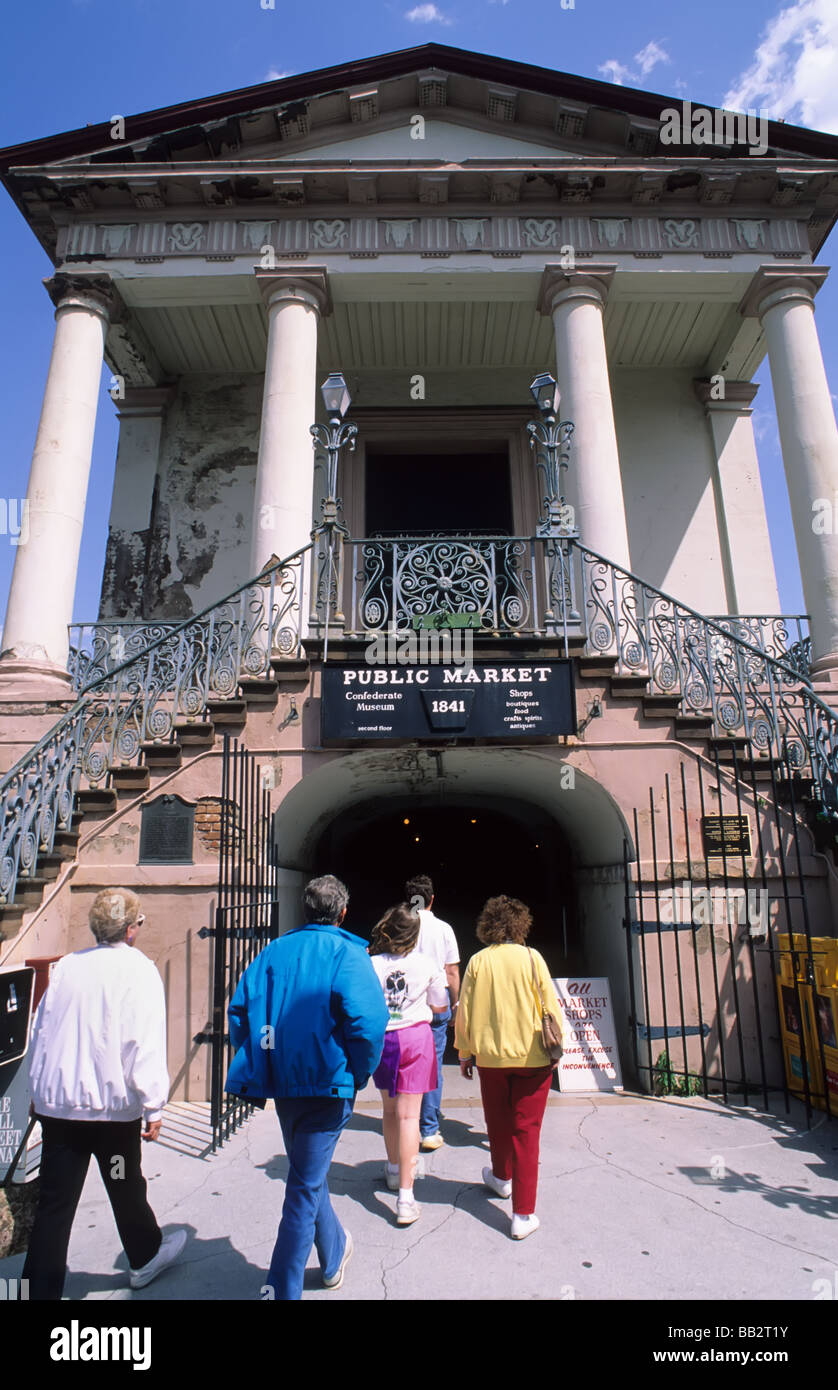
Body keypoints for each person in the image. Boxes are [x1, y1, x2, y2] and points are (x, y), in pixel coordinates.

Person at [225, 874, 388, 1299]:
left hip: (286, 1082)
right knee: (303, 1184)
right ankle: (282, 1289)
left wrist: (262, 1060)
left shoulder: (274, 951)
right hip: (327, 1083)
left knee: (305, 1175)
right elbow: (368, 1023)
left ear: (305, 907)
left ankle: (333, 1254)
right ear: (343, 911)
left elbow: (240, 1011)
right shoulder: (347, 954)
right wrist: (359, 1071)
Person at [23, 888, 185, 1299]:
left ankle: (37, 1291)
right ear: (131, 930)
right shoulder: (139, 970)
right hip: (110, 1116)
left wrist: (37, 1090)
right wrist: (154, 1105)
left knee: (55, 1208)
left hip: (61, 1114)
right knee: (123, 1182)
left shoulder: (65, 969)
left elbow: (40, 1033)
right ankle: (145, 1256)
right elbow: (143, 1042)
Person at [454, 894, 565, 1241]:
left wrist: (465, 1052)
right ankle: (523, 1213)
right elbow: (551, 1005)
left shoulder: (477, 962)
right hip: (533, 1058)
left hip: (491, 1059)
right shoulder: (533, 958)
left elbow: (465, 1011)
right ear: (521, 925)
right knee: (526, 1132)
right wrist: (557, 1050)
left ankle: (501, 1177)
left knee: (497, 1122)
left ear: (488, 925)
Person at [369, 902, 450, 1226]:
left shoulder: (371, 963)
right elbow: (440, 1005)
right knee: (409, 1117)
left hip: (384, 1040)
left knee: (389, 1111)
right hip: (415, 1038)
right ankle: (406, 1197)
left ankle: (392, 1168)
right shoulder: (427, 964)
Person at [405, 874, 460, 1153]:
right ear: (432, 899)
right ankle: (428, 1128)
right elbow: (451, 970)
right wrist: (456, 1003)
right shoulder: (444, 929)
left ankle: (407, 1120)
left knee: (407, 1064)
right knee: (433, 1065)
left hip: (408, 1005)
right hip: (436, 1004)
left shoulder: (403, 927)